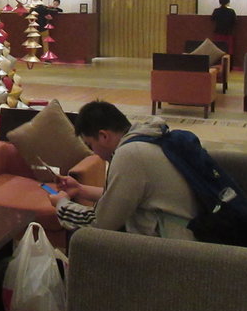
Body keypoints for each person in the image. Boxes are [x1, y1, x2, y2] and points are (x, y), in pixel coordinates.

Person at [47, 100, 198, 240]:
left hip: (172, 245)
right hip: (184, 231)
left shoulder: (130, 155)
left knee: (83, 237)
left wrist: (62, 204)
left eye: (90, 145)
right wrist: (80, 189)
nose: (93, 153)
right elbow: (121, 198)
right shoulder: (148, 139)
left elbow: (99, 224)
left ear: (103, 136)